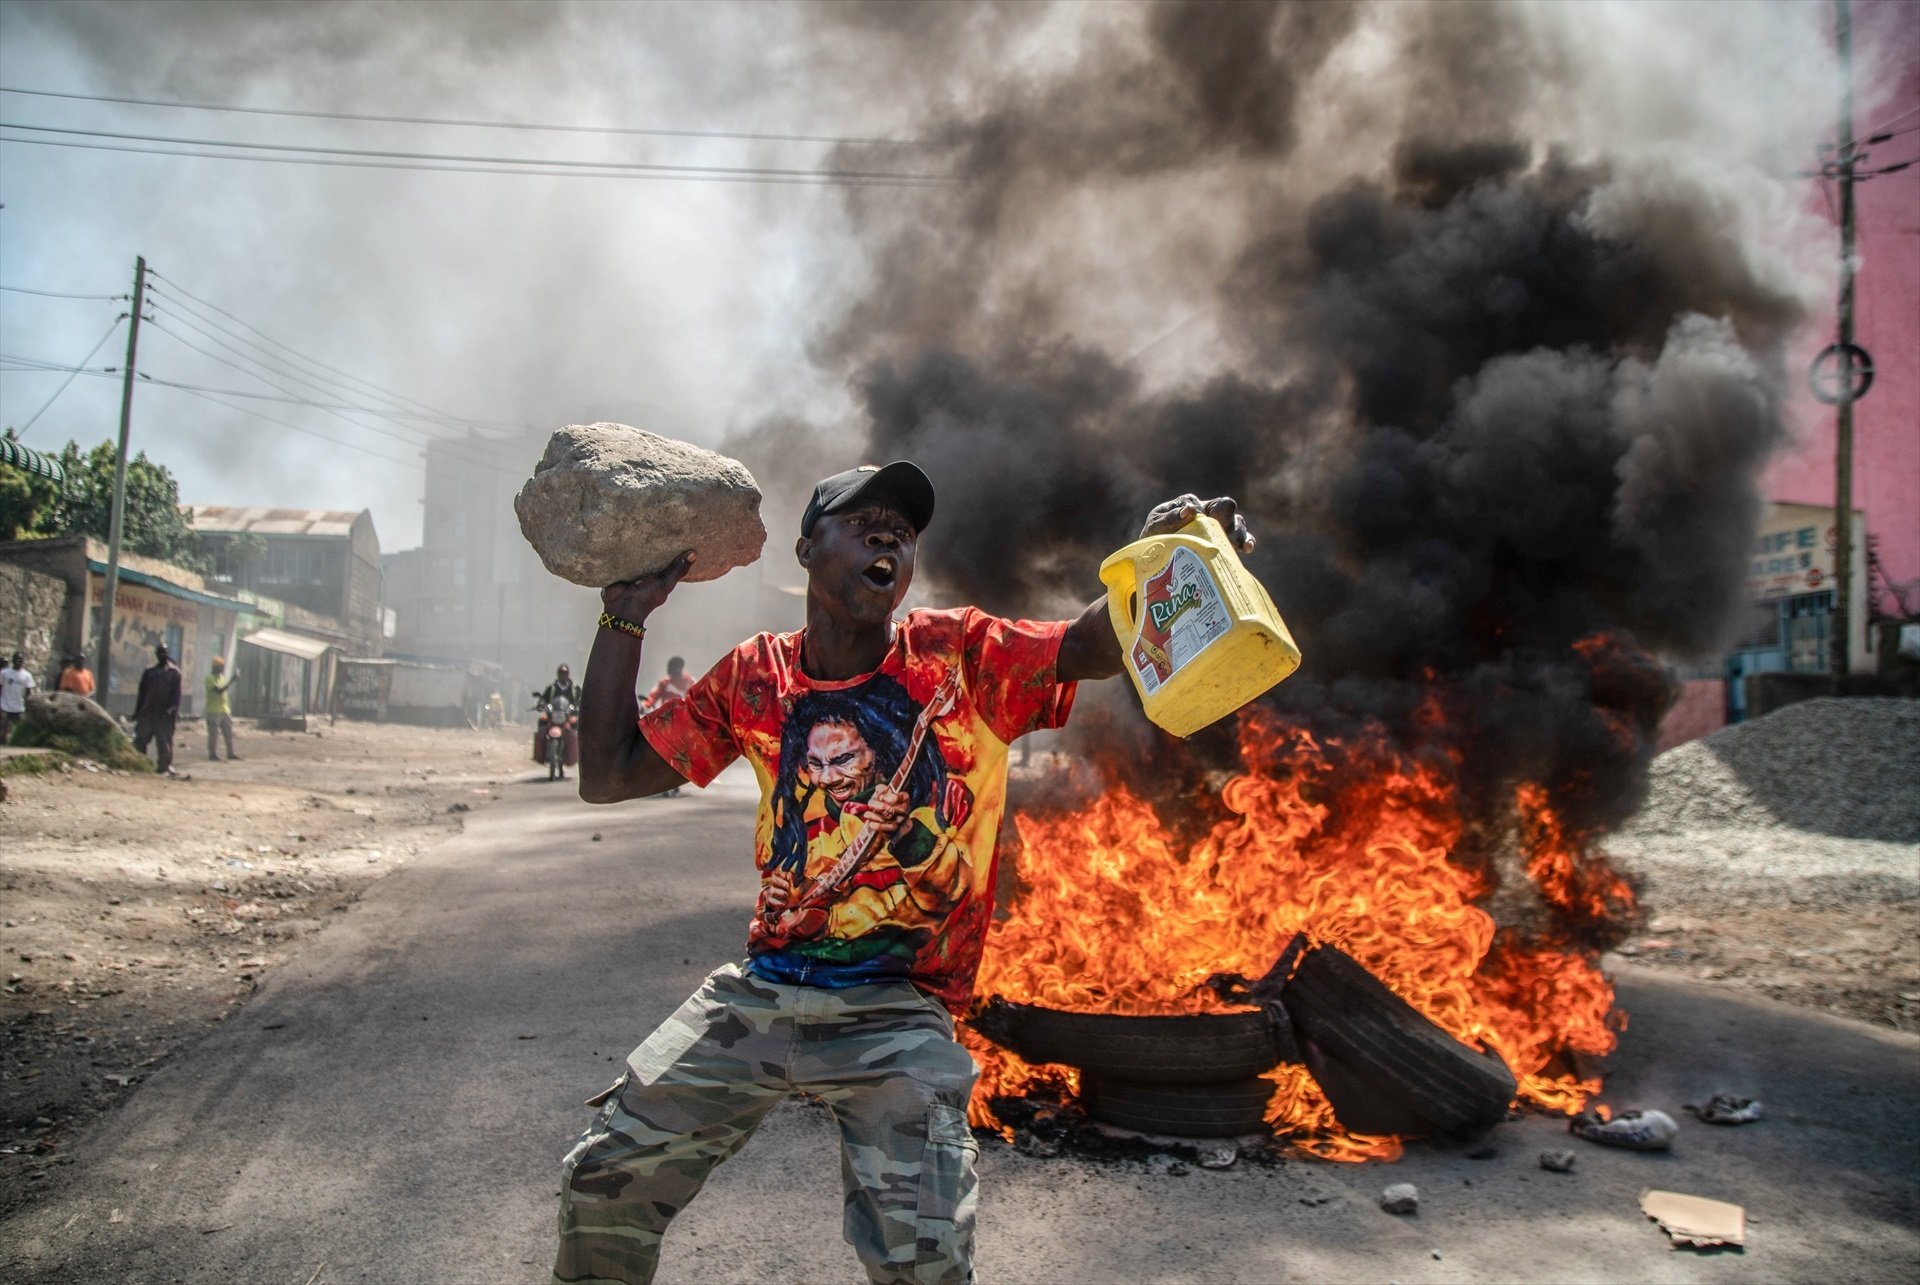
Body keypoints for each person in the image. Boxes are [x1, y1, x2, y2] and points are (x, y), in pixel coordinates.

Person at [557, 461, 1250, 1284]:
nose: (890, 533)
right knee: (600, 1179)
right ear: (809, 548)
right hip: (764, 988)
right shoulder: (756, 676)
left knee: (925, 1249)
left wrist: (1170, 559)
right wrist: (623, 617)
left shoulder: (961, 655)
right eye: (863, 520)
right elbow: (606, 771)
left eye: (904, 528)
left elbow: (1091, 643)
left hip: (899, 1008)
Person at [641, 657, 692, 796]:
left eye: (672, 667)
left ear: (679, 668)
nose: (669, 670)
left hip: (683, 722)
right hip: (666, 721)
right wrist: (645, 705)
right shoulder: (664, 683)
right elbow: (653, 696)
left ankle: (676, 780)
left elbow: (697, 698)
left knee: (682, 752)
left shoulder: (689, 682)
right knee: (662, 750)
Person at [133, 644, 183, 776]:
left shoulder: (174, 673)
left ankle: (164, 767)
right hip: (148, 712)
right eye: (159, 653)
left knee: (164, 742)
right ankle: (139, 764)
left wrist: (172, 710)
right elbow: (142, 694)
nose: (161, 655)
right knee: (140, 740)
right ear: (156, 654)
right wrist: (137, 711)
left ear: (167, 654)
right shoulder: (149, 673)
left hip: (164, 715)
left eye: (164, 652)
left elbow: (176, 695)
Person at [535, 664, 580, 767]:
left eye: (565, 674)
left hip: (567, 716)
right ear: (558, 675)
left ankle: (574, 753)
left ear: (568, 675)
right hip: (553, 715)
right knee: (541, 721)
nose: (563, 676)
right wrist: (541, 704)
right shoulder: (551, 688)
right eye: (561, 674)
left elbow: (579, 701)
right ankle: (541, 753)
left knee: (576, 725)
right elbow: (544, 699)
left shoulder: (574, 689)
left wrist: (577, 707)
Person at [204, 656, 239, 761]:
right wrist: (231, 681)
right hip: (213, 710)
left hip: (224, 709)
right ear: (215, 667)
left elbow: (223, 690)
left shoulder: (221, 677)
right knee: (213, 734)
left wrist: (229, 682)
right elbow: (218, 691)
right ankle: (212, 754)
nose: (222, 669)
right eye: (220, 667)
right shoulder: (209, 678)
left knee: (228, 732)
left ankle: (230, 753)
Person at [0, 652, 33, 743]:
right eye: (17, 659)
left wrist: (29, 705)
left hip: (19, 706)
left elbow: (29, 692)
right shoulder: (4, 673)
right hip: (4, 705)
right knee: (3, 728)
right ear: (13, 660)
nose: (18, 661)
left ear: (23, 661)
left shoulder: (27, 675)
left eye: (21, 659)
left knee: (20, 728)